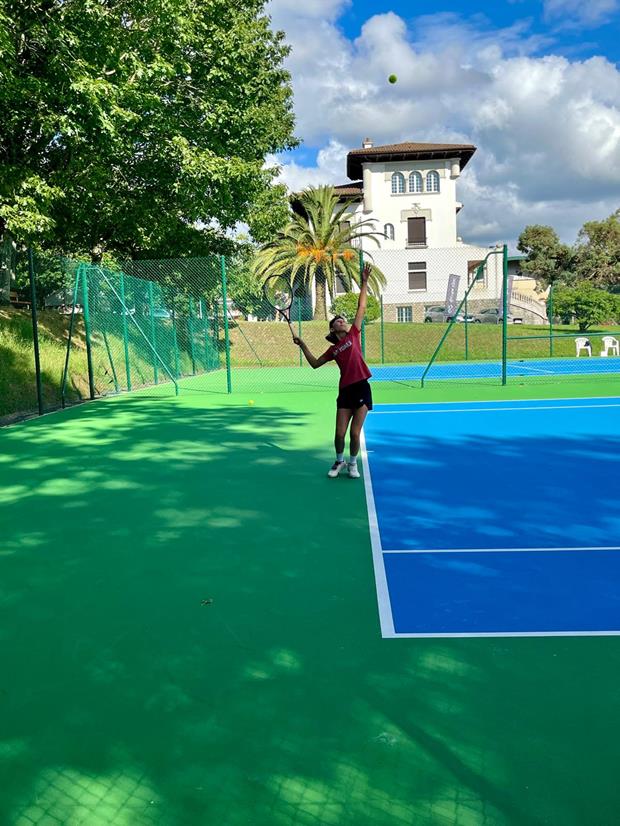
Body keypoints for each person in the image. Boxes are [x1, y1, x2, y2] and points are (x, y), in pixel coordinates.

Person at [293, 263, 373, 479]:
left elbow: (361, 308)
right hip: (346, 391)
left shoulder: (354, 334)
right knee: (339, 433)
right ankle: (339, 460)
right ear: (332, 329)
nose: (342, 320)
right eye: (338, 320)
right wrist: (303, 345)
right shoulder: (334, 349)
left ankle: (353, 464)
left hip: (362, 388)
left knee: (355, 433)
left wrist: (364, 282)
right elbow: (315, 363)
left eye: (343, 319)